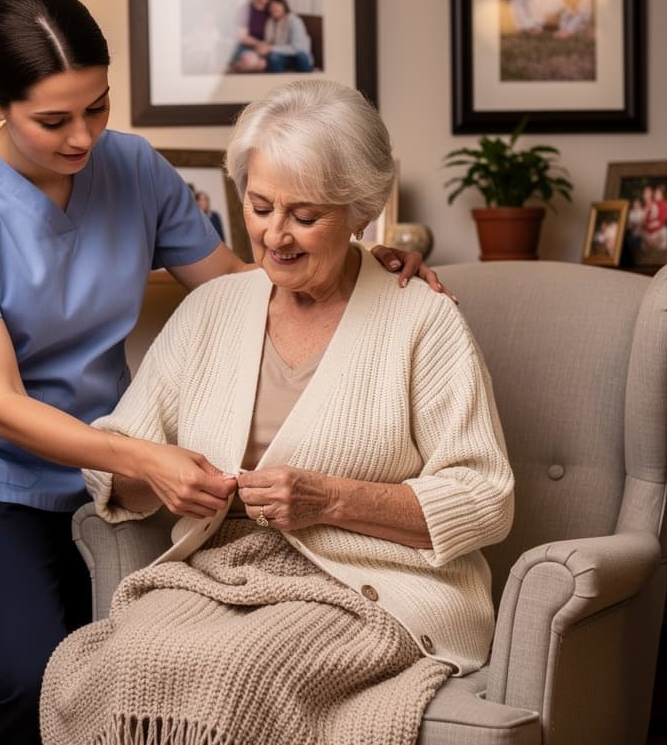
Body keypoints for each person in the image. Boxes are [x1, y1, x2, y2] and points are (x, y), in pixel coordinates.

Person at [0, 0, 446, 744]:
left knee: (97, 674)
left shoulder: (133, 168)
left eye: (98, 107)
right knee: (26, 678)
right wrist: (146, 458)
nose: (84, 138)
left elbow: (240, 288)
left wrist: (358, 260)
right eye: (54, 120)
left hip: (115, 468)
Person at [40, 79, 514, 745]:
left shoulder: (422, 321)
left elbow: (486, 497)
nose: (274, 234)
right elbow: (118, 459)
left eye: (305, 215)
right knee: (116, 663)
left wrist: (330, 501)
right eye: (260, 207)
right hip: (218, 574)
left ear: (360, 210)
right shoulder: (211, 309)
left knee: (236, 674)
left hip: (369, 589)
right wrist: (161, 472)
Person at [259, 0, 315, 72]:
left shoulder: (294, 21)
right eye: (271, 6)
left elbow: (296, 48)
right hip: (282, 55)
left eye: (277, 5)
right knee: (273, 57)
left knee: (302, 57)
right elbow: (269, 41)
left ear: (284, 6)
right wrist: (263, 46)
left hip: (297, 54)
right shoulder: (270, 21)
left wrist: (270, 48)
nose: (274, 8)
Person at [229, 0, 274, 72]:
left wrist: (266, 46)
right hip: (245, 46)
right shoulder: (245, 10)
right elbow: (242, 37)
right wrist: (258, 43)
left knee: (262, 64)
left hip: (263, 48)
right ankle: (231, 69)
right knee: (251, 61)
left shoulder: (271, 11)